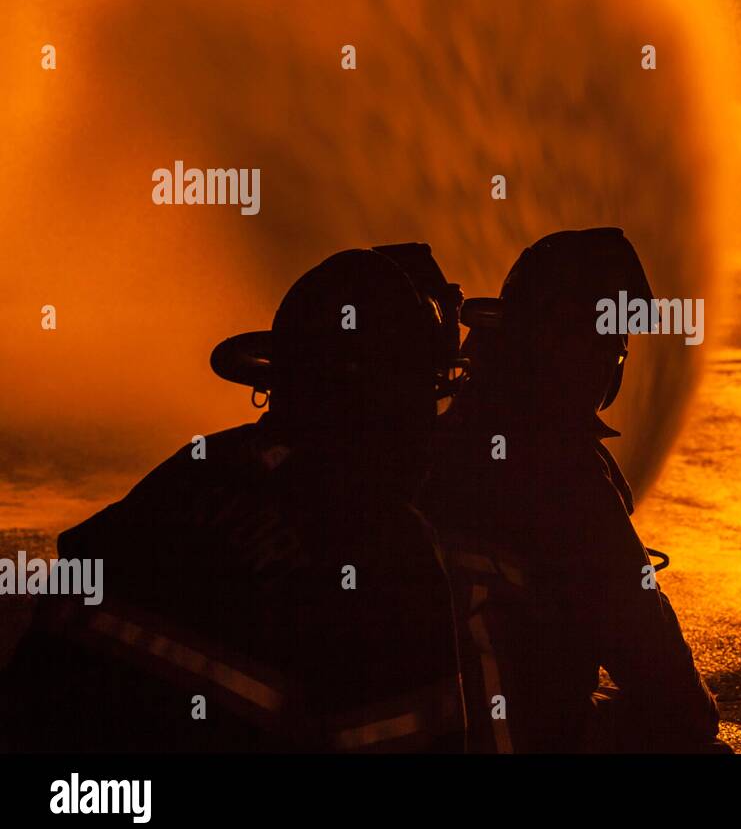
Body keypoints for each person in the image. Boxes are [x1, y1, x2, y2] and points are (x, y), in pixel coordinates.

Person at [0, 244, 467, 752]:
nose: (431, 428)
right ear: (385, 404)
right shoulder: (386, 550)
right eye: (427, 396)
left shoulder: (189, 471)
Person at [423, 228, 724, 753]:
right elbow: (665, 680)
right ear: (569, 347)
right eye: (610, 344)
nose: (614, 360)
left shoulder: (435, 438)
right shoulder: (564, 476)